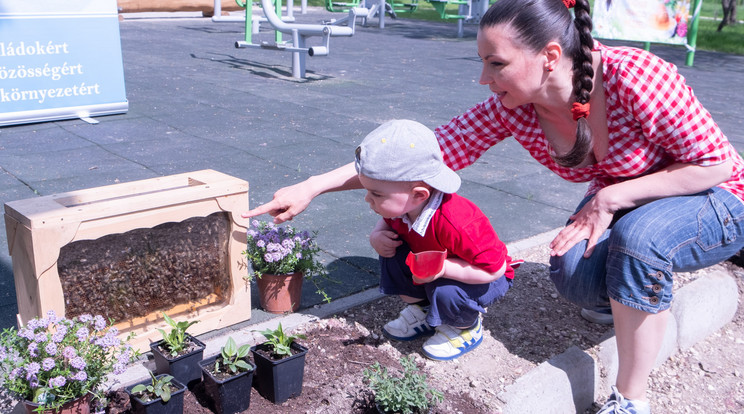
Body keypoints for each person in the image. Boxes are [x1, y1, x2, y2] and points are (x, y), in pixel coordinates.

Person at [244, 0, 744, 412]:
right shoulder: (514, 108)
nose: (484, 78)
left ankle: (631, 399)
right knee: (571, 273)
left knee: (641, 242)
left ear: (550, 55)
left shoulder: (637, 75)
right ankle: (628, 296)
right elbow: (416, 162)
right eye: (482, 62)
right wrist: (312, 186)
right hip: (628, 199)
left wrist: (610, 198)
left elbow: (717, 164)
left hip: (714, 197)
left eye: (496, 63)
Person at [353, 119, 516, 361]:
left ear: (419, 195)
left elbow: (495, 268)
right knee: (391, 249)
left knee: (446, 291)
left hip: (480, 276)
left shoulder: (458, 222)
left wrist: (444, 268)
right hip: (436, 266)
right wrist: (377, 235)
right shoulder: (403, 207)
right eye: (367, 191)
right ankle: (425, 309)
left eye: (376, 194)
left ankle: (464, 327)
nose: (368, 199)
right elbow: (389, 220)